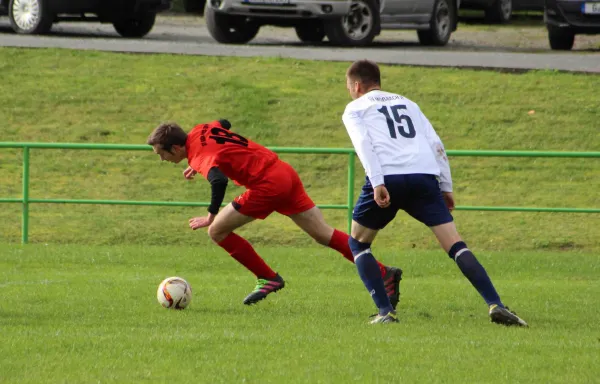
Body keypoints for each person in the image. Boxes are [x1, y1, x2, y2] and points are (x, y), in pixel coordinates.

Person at [341, 59, 528, 326]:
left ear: (356, 85)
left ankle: (385, 312)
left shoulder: (355, 108)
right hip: (424, 176)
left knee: (358, 243)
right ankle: (495, 303)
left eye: (349, 87)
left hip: (388, 176)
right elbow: (436, 143)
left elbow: (363, 144)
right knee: (455, 244)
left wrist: (378, 181)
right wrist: (446, 187)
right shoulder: (409, 104)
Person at [146, 118, 403, 307]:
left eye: (161, 154)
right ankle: (384, 273)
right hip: (284, 172)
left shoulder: (200, 156)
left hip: (267, 185)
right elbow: (223, 124)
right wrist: (202, 161)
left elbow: (218, 180)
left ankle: (267, 277)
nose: (161, 159)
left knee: (217, 230)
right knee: (323, 234)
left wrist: (211, 214)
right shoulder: (200, 130)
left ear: (177, 148)